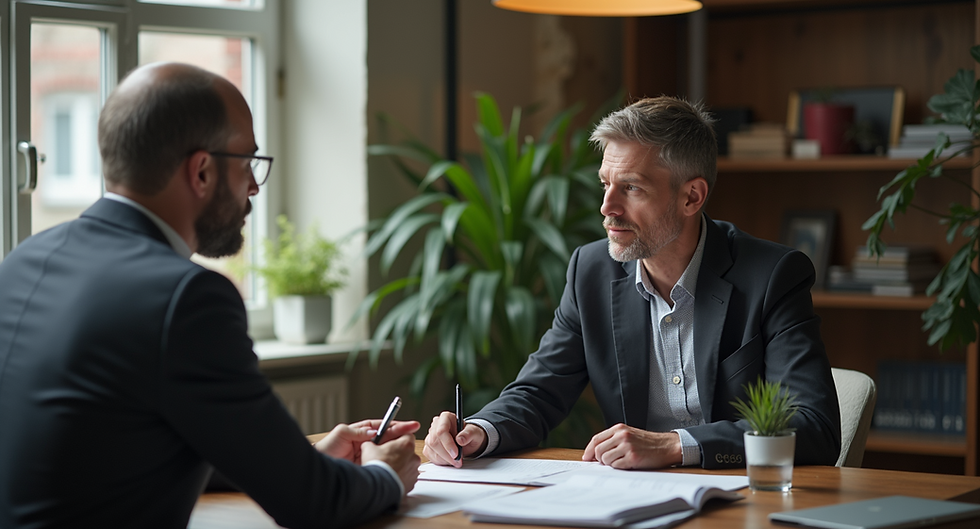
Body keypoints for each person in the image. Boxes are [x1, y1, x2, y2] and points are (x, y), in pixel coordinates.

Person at [0, 62, 420, 528]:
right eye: (248, 164)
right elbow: (313, 505)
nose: (255, 187)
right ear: (201, 171)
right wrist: (386, 474)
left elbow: (117, 444)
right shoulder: (186, 297)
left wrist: (305, 460)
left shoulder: (24, 259)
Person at [424, 96, 841, 470]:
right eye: (606, 184)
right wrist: (478, 431)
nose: (607, 207)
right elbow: (539, 391)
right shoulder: (589, 270)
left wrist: (677, 446)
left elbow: (814, 426)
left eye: (632, 188)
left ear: (692, 197)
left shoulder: (772, 275)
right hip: (632, 506)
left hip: (740, 503)